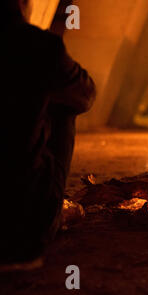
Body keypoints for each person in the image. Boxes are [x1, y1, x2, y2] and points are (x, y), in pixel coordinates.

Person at [0, 0, 96, 266]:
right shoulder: (37, 46)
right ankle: (46, 214)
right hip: (16, 241)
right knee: (65, 101)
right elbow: (86, 95)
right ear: (22, 4)